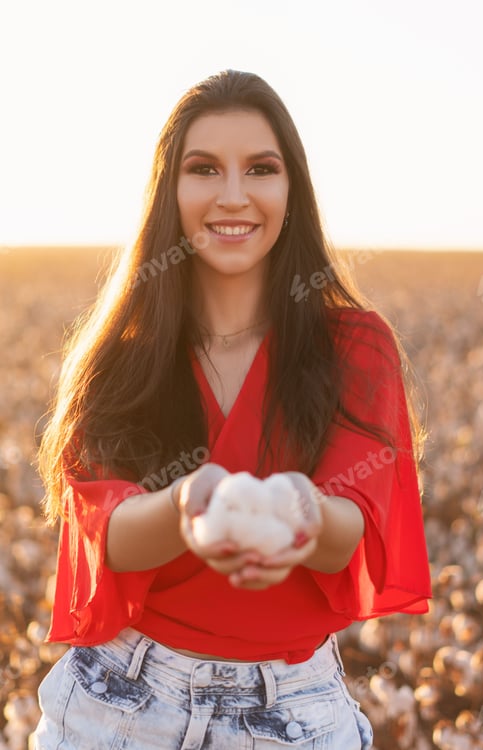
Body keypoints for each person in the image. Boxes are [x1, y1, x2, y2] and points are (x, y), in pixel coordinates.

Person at [33, 69, 431, 749]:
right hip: (119, 703)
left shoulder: (357, 345)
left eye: (261, 169)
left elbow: (355, 526)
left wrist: (300, 511)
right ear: (171, 192)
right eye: (205, 169)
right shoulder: (122, 354)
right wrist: (188, 504)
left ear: (291, 189)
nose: (234, 195)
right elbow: (110, 536)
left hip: (293, 713)